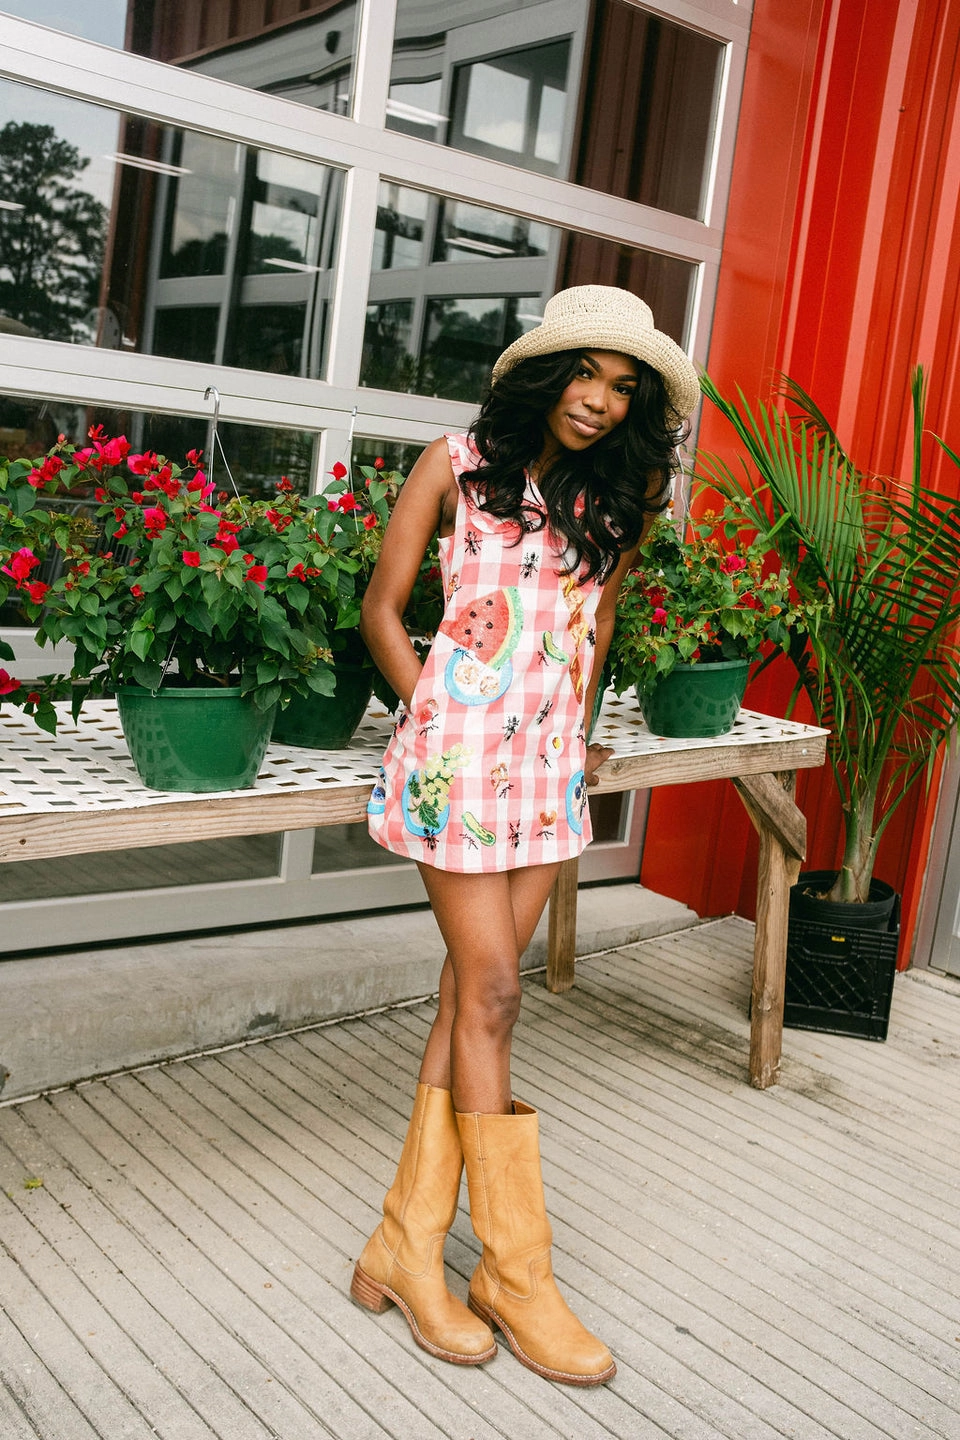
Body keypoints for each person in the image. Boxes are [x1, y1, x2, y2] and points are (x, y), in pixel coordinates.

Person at [353, 285, 700, 1385]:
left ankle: (406, 1245)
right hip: (457, 766)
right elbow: (382, 607)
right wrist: (428, 714)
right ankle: (516, 1270)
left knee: (469, 997)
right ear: (547, 375)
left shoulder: (621, 503)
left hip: (549, 777)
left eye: (623, 387)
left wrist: (578, 734)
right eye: (585, 374)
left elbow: (596, 628)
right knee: (497, 991)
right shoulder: (454, 465)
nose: (598, 400)